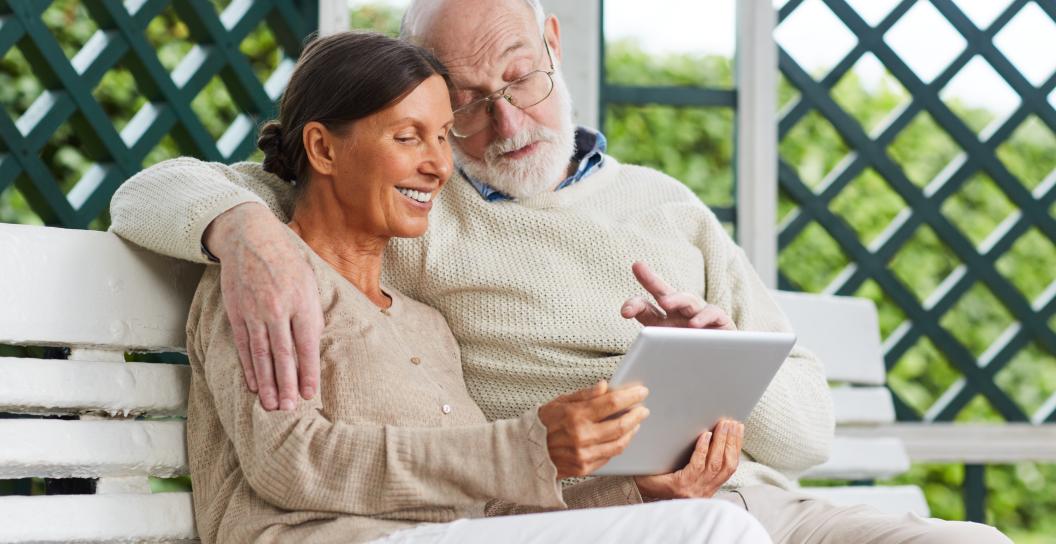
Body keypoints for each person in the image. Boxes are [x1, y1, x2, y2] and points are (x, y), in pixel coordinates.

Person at [110, 1, 1011, 542]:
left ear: (552, 42)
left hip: (739, 497)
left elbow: (808, 438)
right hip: (597, 515)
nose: (502, 124)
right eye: (462, 107)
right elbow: (163, 189)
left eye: (520, 80)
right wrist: (239, 229)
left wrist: (729, 358)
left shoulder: (666, 204)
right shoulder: (413, 205)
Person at [184, 30, 769, 544]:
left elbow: (488, 507)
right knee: (719, 532)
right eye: (408, 137)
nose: (438, 164)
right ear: (322, 147)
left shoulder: (425, 324)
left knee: (704, 520)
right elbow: (288, 459)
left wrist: (639, 492)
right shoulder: (261, 287)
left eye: (443, 136)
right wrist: (528, 444)